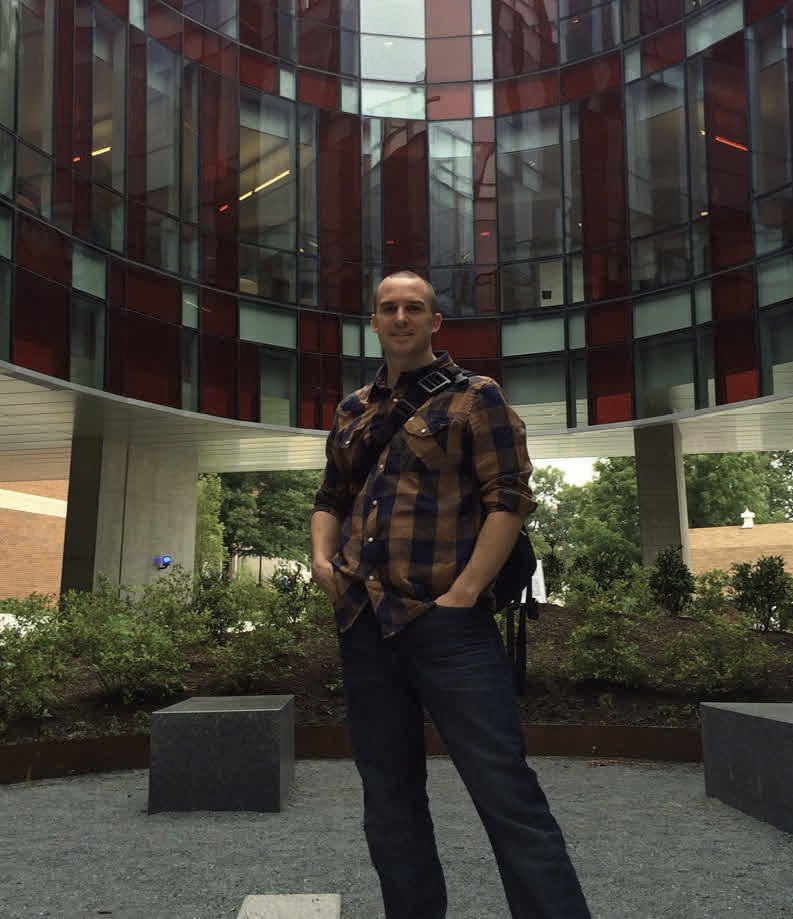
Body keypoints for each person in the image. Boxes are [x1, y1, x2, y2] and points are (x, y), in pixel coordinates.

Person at [311, 271, 591, 919]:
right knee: (388, 803)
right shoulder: (353, 409)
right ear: (374, 323)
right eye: (388, 308)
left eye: (414, 308)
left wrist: (464, 593)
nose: (401, 316)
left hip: (449, 628)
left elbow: (510, 499)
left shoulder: (476, 397)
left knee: (506, 795)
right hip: (364, 623)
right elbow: (331, 497)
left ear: (436, 323)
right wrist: (323, 561)